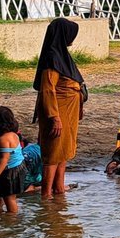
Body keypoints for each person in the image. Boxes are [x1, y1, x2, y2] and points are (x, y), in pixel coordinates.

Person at [33, 17, 85, 200]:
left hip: (68, 113)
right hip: (58, 112)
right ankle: (46, 194)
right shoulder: (52, 58)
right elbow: (47, 90)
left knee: (63, 151)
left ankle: (59, 188)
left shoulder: (62, 56)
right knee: (53, 152)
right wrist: (54, 117)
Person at [0, 106, 28, 213]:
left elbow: (5, 159)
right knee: (0, 192)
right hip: (17, 168)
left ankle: (12, 220)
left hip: (10, 172)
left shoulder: (3, 140)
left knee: (9, 198)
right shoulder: (13, 135)